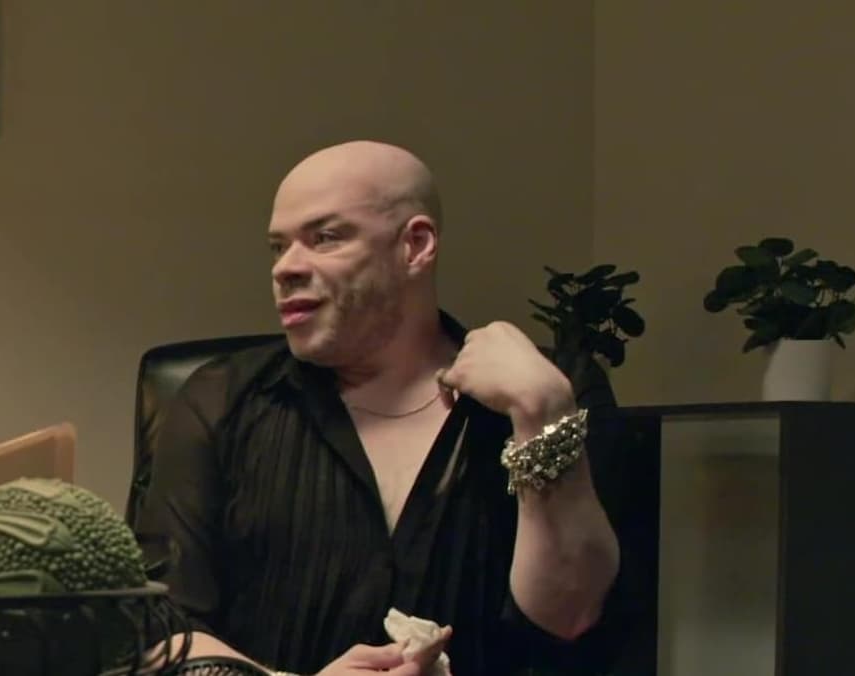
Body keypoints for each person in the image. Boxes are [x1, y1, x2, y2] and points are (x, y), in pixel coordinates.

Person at [136, 141, 628, 675]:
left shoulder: (553, 391)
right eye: (278, 247)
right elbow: (157, 630)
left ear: (415, 245)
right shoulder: (220, 399)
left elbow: (571, 615)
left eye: (325, 237)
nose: (286, 268)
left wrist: (540, 412)